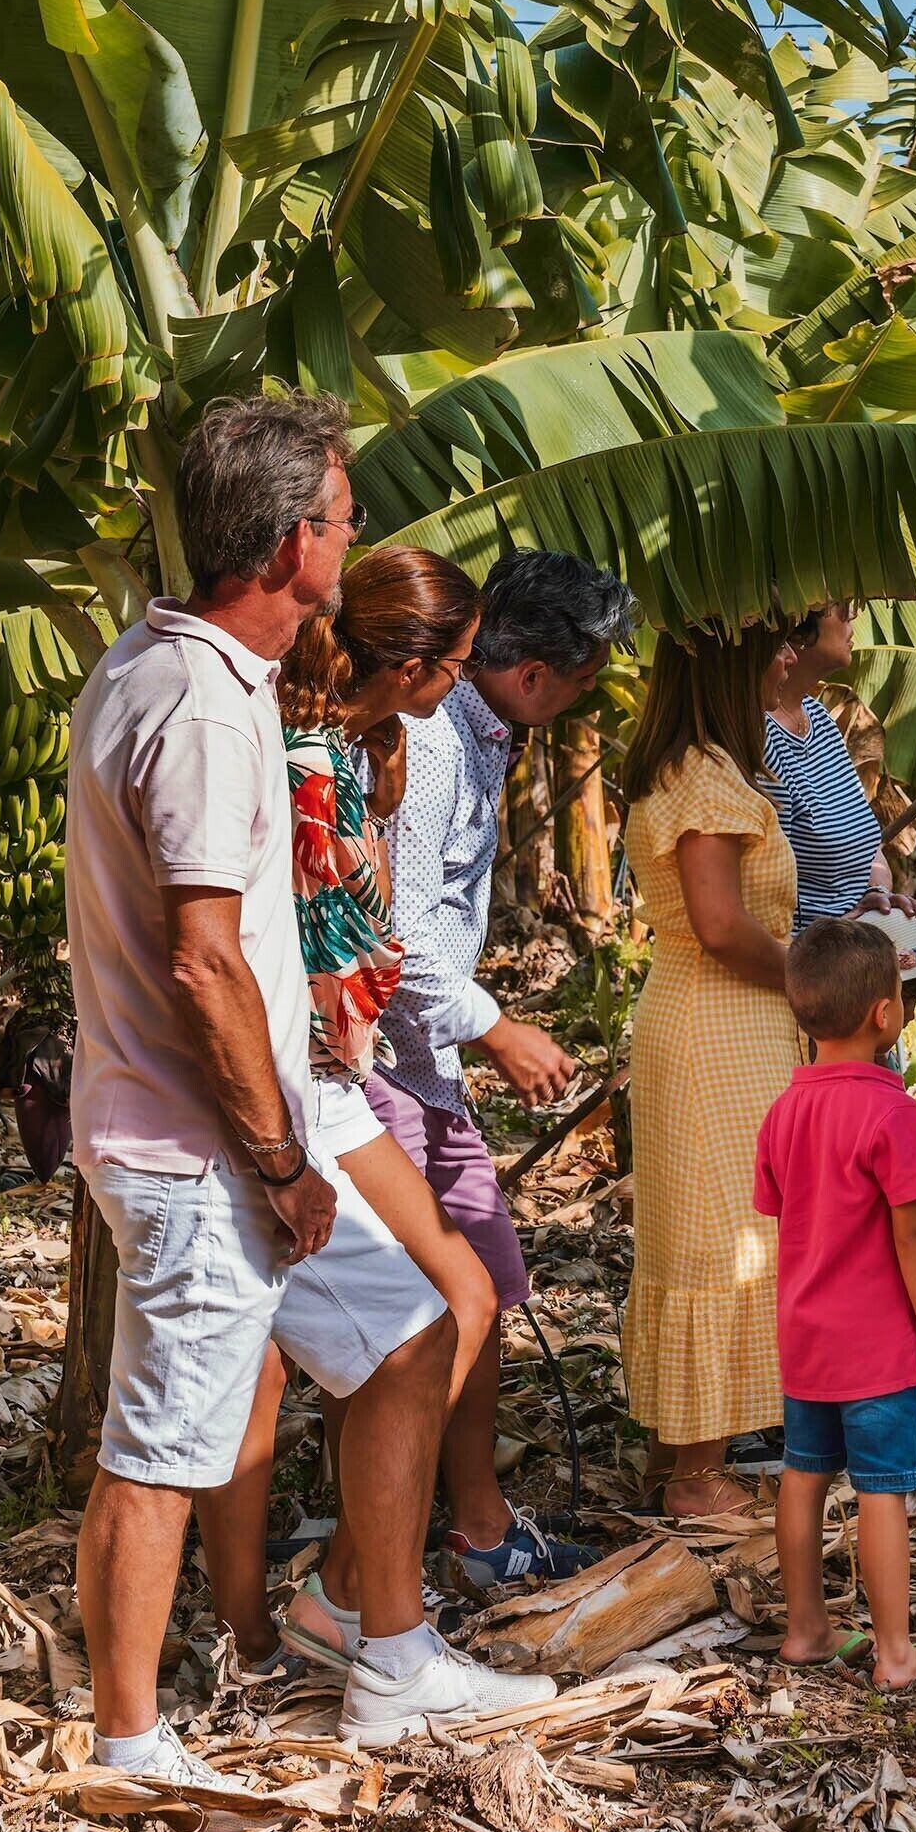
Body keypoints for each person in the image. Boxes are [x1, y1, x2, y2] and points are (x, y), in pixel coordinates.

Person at [65, 396, 543, 1784]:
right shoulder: (209, 708)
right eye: (342, 518)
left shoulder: (171, 670)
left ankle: (391, 1658)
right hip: (203, 1141)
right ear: (290, 544)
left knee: (407, 1341)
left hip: (257, 1121)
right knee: (162, 1443)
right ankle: (129, 1740)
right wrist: (279, 1161)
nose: (355, 539)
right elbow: (205, 958)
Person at [206, 546, 510, 1683]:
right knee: (262, 1367)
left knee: (459, 1294)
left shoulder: (356, 744)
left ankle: (344, 1589)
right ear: (416, 664)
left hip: (337, 1077)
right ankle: (257, 1629)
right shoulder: (305, 757)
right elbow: (321, 943)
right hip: (295, 1079)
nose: (464, 685)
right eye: (460, 664)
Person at [372, 549, 636, 1587]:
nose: (584, 701)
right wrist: (497, 1028)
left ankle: (477, 1528)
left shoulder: (479, 739)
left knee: (485, 1285)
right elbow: (390, 932)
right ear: (533, 676)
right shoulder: (433, 744)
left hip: (425, 1068)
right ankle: (371, 1566)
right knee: (428, 1309)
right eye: (582, 680)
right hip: (388, 1065)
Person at [620, 620, 800, 1517]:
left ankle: (678, 1454)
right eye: (772, 648)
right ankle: (695, 1474)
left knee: (711, 1232)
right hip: (713, 1026)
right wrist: (814, 978)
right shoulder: (703, 776)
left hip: (716, 1024)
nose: (784, 661)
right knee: (718, 1240)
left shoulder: (698, 768)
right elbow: (721, 923)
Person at [753, 918, 916, 1689]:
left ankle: (805, 1628)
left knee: (803, 1476)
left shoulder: (781, 1112)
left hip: (805, 1339)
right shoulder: (892, 1113)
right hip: (874, 1349)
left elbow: (780, 1209)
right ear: (884, 1013)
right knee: (881, 1492)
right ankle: (895, 1653)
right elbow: (912, 1238)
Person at [763, 603, 916, 930]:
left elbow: (867, 843)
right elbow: (763, 896)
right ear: (797, 631)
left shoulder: (818, 719)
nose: (853, 614)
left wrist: (878, 896)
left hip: (843, 953)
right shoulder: (758, 740)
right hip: (798, 965)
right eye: (838, 604)